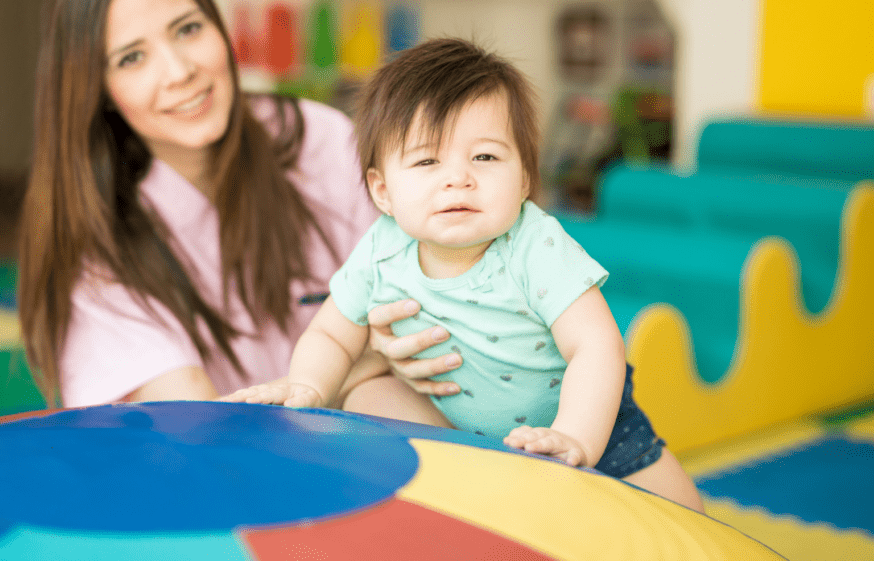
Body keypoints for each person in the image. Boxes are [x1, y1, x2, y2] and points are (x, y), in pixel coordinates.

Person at [228, 38, 705, 512]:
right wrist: (308, 385)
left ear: (523, 178)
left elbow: (597, 346)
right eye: (427, 161)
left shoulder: (535, 245)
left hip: (586, 419)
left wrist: (573, 437)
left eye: (485, 157)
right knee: (369, 395)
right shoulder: (380, 250)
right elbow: (333, 334)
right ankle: (457, 498)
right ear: (382, 191)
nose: (458, 178)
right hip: (459, 424)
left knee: (686, 523)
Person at [17, 0, 455, 423]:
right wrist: (353, 367)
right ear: (98, 90)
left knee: (387, 397)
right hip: (221, 479)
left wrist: (360, 373)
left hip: (361, 441)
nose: (179, 70)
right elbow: (199, 427)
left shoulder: (321, 140)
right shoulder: (97, 247)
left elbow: (446, 311)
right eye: (132, 58)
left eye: (188, 29)